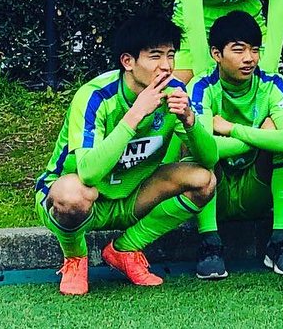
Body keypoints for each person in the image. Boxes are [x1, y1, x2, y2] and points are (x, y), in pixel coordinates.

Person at [34, 15, 218, 295]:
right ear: (128, 61)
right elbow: (88, 173)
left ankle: (126, 249)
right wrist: (135, 115)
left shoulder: (174, 91)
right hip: (81, 199)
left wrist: (190, 121)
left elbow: (210, 159)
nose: (166, 66)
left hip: (132, 197)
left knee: (204, 180)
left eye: (170, 55)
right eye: (155, 56)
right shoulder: (94, 96)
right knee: (71, 194)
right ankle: (75, 258)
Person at [187, 11, 283, 280]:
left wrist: (232, 130)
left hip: (257, 189)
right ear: (216, 54)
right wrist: (260, 138)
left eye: (254, 50)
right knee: (192, 146)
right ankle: (210, 243)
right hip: (214, 190)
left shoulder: (273, 84)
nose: (249, 58)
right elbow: (203, 148)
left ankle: (279, 241)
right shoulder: (201, 86)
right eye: (239, 50)